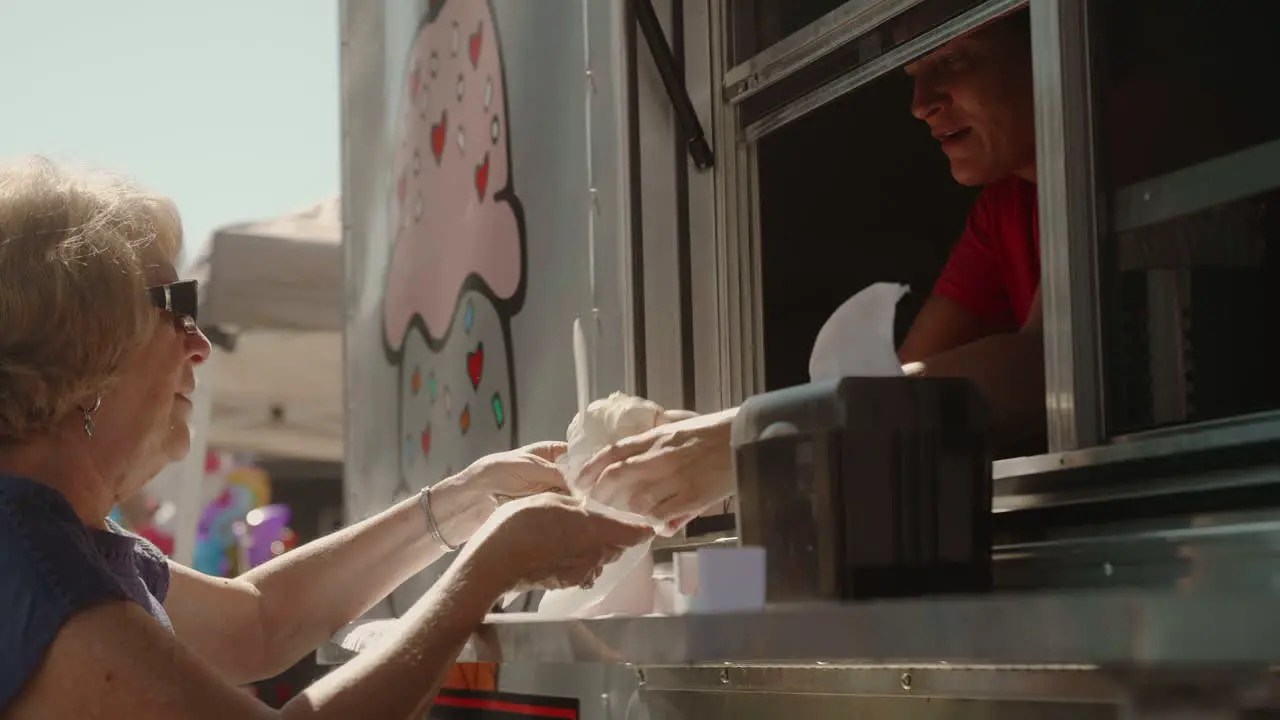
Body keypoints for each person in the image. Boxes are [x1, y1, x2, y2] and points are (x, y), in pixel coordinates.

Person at [0, 156, 652, 718]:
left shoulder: (53, 537)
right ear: (86, 346)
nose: (199, 344)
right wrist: (486, 570)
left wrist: (467, 499)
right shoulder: (36, 563)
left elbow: (260, 622)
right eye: (178, 305)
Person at [577, 11, 1044, 528]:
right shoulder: (1007, 204)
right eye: (913, 74)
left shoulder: (1118, 142)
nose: (920, 105)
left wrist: (750, 435)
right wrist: (705, 446)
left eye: (953, 58)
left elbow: (1047, 363)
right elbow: (897, 392)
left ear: (1046, 35)